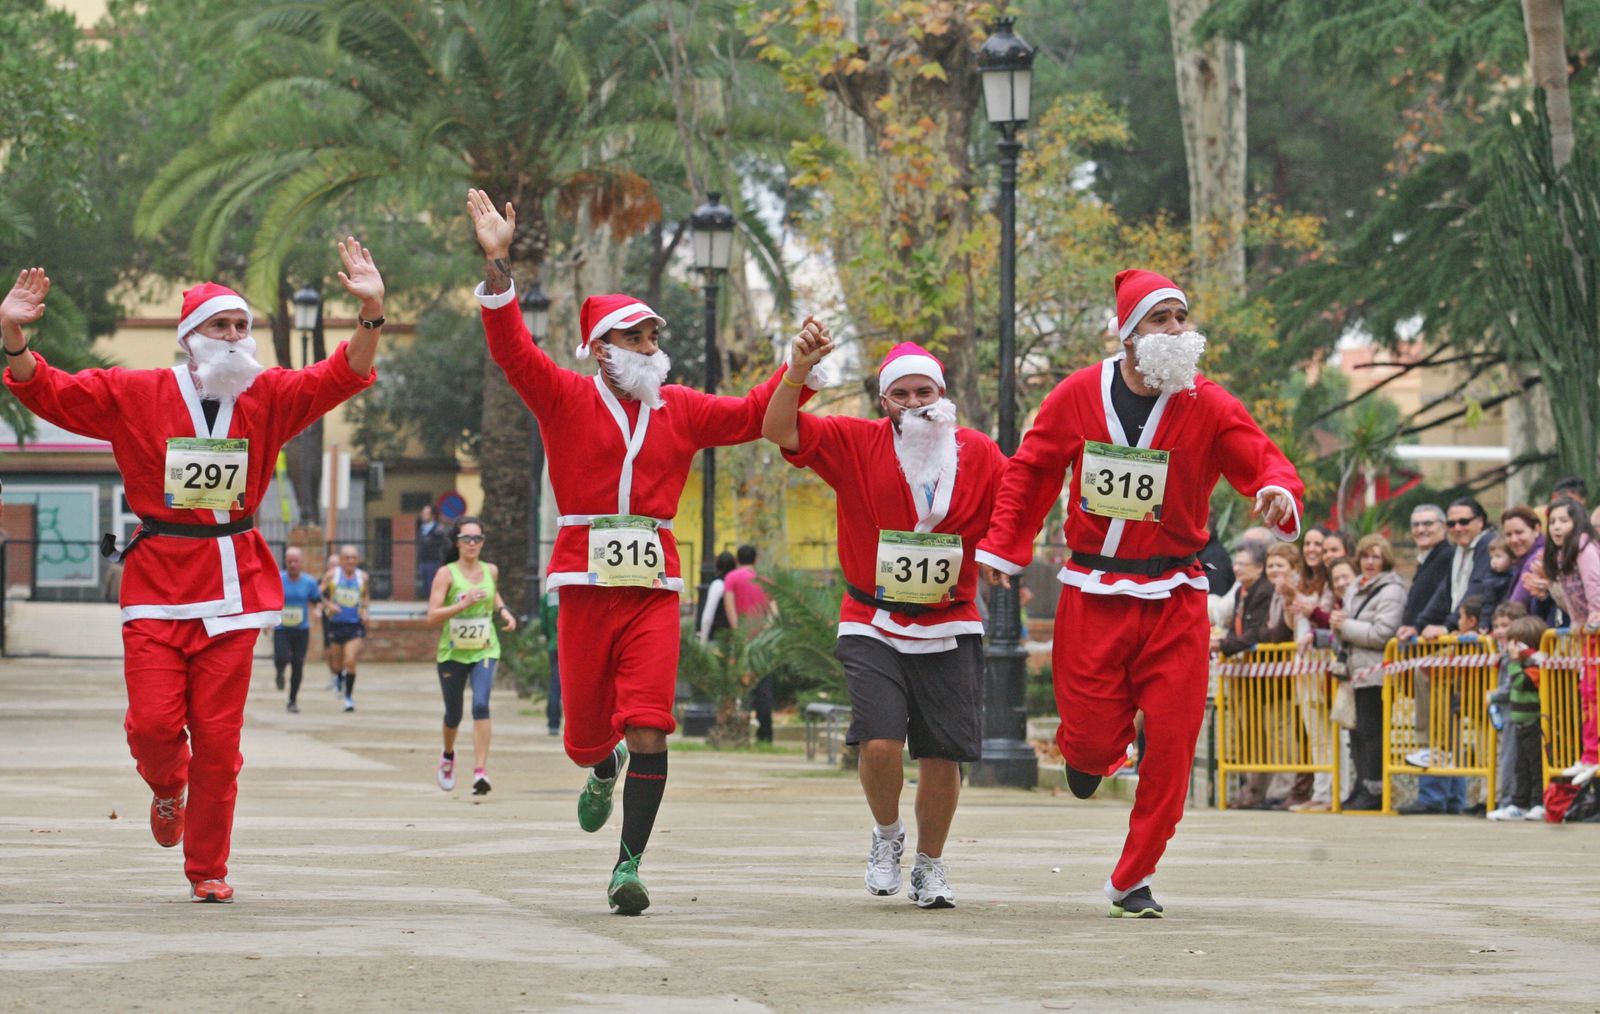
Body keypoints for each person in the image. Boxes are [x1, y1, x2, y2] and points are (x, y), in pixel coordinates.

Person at [466, 188, 816, 915]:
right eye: (637, 339)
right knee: (585, 740)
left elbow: (753, 416)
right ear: (601, 349)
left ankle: (628, 865)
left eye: (655, 338)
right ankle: (602, 768)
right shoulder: (563, 398)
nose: (652, 349)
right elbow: (512, 351)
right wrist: (499, 264)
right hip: (584, 585)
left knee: (652, 725)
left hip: (654, 590)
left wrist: (796, 368)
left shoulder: (679, 407)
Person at [0, 241, 383, 902]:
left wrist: (371, 312)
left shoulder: (268, 394)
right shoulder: (135, 392)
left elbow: (341, 375)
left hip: (234, 588)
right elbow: (50, 390)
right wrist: (12, 336)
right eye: (220, 325)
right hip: (156, 584)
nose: (234, 336)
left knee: (219, 742)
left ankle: (208, 868)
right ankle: (166, 784)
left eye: (241, 326)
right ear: (189, 338)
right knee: (153, 726)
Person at [976, 269, 1303, 918]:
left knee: (1175, 744)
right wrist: (1004, 546)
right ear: (1127, 333)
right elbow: (1032, 470)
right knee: (1093, 743)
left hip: (1176, 595)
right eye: (1160, 318)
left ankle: (1134, 877)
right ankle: (1089, 752)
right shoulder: (1075, 394)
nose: (1177, 329)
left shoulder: (1208, 402)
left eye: (1182, 316)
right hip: (1093, 593)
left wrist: (1278, 492)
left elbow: (1261, 457)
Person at [766, 329, 1006, 911]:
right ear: (884, 400)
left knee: (941, 754)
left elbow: (1016, 506)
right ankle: (887, 834)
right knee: (878, 742)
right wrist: (796, 372)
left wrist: (1005, 553)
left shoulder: (979, 452)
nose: (915, 402)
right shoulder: (855, 441)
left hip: (950, 621)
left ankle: (930, 864)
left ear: (943, 395)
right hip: (870, 618)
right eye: (902, 394)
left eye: (925, 392)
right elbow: (778, 428)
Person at [1404, 497, 1496, 810]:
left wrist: (1447, 626)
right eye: (1453, 523)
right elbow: (1445, 594)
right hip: (1460, 637)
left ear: (1480, 521)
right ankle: (1451, 792)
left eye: (1463, 521)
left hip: (1478, 641)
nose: (1458, 527)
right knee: (1447, 705)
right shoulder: (1458, 551)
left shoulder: (1486, 546)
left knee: (1475, 714)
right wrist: (1418, 626)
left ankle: (1446, 787)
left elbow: (1477, 592)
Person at [426, 516, 516, 795]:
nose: (472, 543)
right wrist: (462, 604)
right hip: (452, 653)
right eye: (467, 538)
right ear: (457, 542)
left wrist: (503, 611)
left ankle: (480, 772)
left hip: (485, 649)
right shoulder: (446, 574)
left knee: (480, 705)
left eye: (478, 538)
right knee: (453, 715)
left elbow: (493, 593)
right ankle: (448, 755)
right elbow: (432, 616)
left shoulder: (491, 570)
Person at [1331, 534, 1406, 812]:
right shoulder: (1354, 587)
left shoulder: (1392, 589)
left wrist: (1345, 626)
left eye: (1376, 556)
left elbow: (1382, 633)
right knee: (1356, 732)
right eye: (1365, 556)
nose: (1370, 562)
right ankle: (1361, 785)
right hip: (1355, 670)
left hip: (1376, 671)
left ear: (1385, 559)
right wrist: (1338, 626)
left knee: (1372, 731)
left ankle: (1375, 788)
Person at [1543, 499, 1600, 787]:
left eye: (1563, 521)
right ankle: (1589, 754)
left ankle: (1595, 753)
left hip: (1596, 627)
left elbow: (1594, 583)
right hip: (1586, 632)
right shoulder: (1560, 555)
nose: (1556, 527)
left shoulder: (1585, 548)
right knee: (1587, 692)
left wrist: (1595, 614)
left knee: (1595, 692)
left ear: (1577, 523)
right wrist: (1577, 621)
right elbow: (1569, 593)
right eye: (1552, 522)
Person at [1486, 614, 1551, 821]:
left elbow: (1520, 682)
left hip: (1534, 724)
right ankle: (1518, 804)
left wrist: (1514, 662)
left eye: (1515, 642)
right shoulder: (1520, 663)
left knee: (1535, 767)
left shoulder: (1535, 665)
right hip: (1519, 723)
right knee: (1520, 767)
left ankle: (1538, 803)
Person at [723, 544, 776, 743]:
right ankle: (766, 734)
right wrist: (767, 632)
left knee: (739, 685)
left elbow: (730, 606)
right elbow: (774, 611)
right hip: (763, 641)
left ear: (737, 560)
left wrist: (738, 632)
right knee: (764, 686)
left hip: (742, 638)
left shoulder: (732, 578)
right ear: (755, 560)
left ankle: (739, 732)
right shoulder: (764, 580)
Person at [1488, 600, 1530, 804]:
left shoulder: (1516, 654)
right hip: (1506, 714)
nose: (1499, 631)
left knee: (1510, 760)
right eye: (1496, 626)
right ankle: (1507, 799)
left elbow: (1511, 683)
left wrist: (1494, 695)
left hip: (1514, 712)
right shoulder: (1503, 653)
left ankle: (1510, 801)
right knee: (1508, 758)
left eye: (1505, 625)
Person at [272, 547, 321, 713]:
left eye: (296, 561)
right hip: (282, 628)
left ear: (301, 562)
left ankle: (292, 700)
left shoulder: (309, 582)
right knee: (282, 657)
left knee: (298, 664)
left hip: (301, 629)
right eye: (290, 561)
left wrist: (317, 610)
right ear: (285, 562)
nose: (293, 564)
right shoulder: (278, 579)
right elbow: (270, 599)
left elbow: (316, 601)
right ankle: (280, 671)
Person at [321, 544, 369, 712]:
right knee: (337, 664)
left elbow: (365, 597)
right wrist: (329, 605)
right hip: (335, 624)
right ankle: (339, 677)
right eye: (347, 558)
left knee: (350, 660)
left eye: (353, 558)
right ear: (341, 560)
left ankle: (348, 698)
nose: (350, 561)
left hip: (355, 625)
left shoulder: (362, 577)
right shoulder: (332, 575)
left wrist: (365, 611)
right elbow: (318, 594)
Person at [1501, 506, 1554, 622]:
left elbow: (1516, 606)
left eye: (1519, 532)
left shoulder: (1538, 558)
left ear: (1536, 529)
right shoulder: (1521, 559)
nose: (1514, 540)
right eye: (1508, 535)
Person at [697, 551, 738, 643]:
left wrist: (703, 639)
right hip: (736, 635)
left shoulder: (718, 584)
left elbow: (708, 614)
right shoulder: (737, 583)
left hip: (718, 635)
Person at [540, 587, 563, 737]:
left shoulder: (547, 598)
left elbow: (543, 625)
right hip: (571, 645)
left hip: (554, 644)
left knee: (555, 685)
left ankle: (553, 722)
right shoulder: (572, 593)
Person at [415, 503, 449, 598]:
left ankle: (435, 604)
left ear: (433, 516)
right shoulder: (421, 529)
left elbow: (445, 545)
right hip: (423, 561)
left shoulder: (438, 530)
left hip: (434, 561)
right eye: (423, 513)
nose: (423, 515)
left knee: (433, 585)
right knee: (426, 586)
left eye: (426, 513)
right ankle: (430, 603)